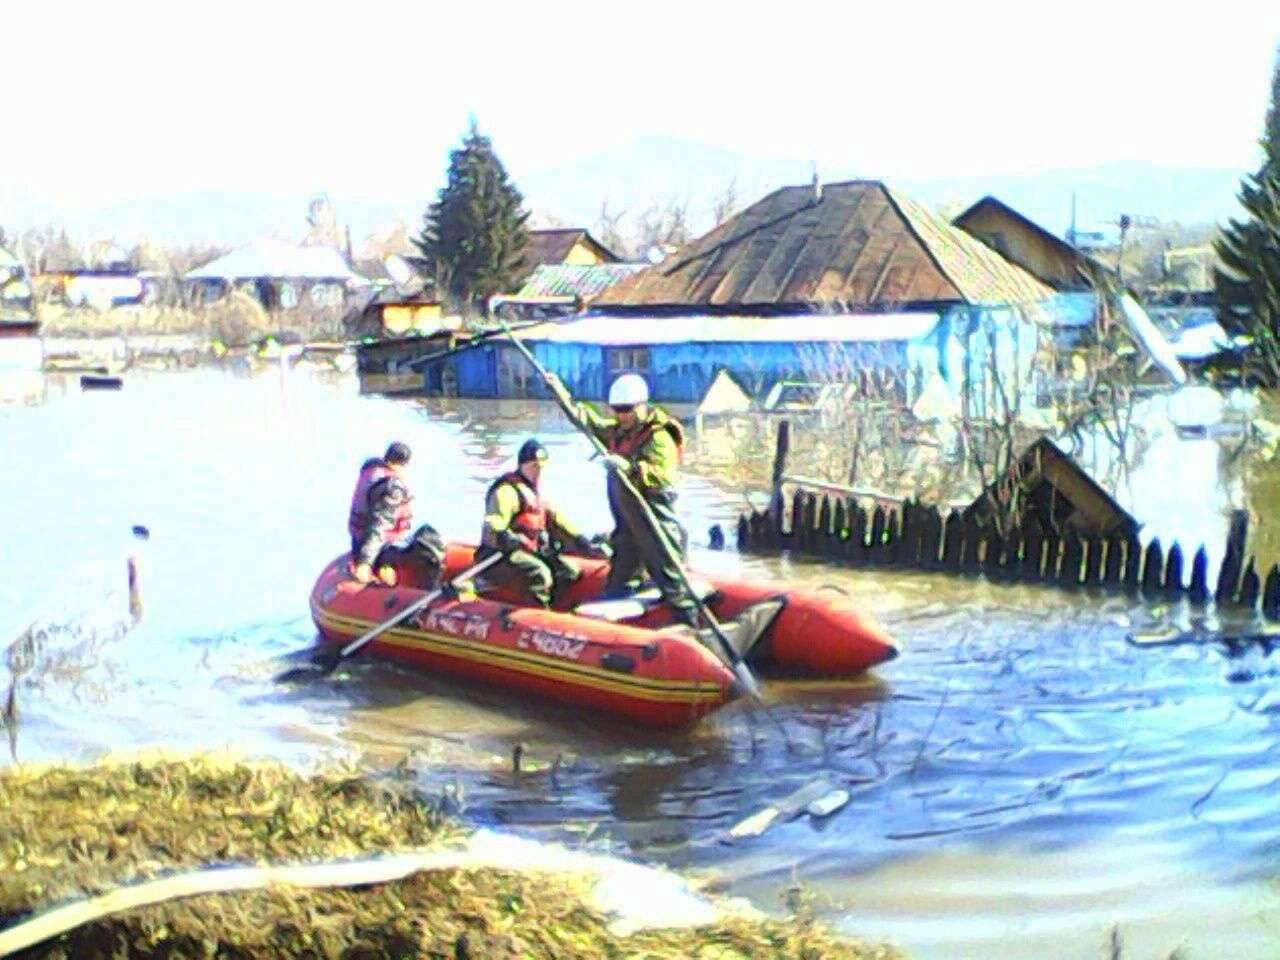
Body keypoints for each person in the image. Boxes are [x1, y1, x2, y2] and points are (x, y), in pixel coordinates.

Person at [544, 371, 696, 625]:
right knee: (621, 573)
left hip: (652, 518)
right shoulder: (617, 431)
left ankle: (690, 620)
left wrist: (628, 467)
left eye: (626, 409)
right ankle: (619, 622)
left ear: (642, 405)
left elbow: (664, 476)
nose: (621, 415)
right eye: (616, 409)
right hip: (627, 522)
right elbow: (586, 420)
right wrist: (559, 392)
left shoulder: (659, 437)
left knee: (669, 574)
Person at [479, 438, 609, 608]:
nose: (538, 472)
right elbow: (493, 523)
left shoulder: (534, 494)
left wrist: (582, 542)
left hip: (529, 552)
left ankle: (555, 607)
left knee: (568, 572)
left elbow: (557, 521)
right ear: (522, 465)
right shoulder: (506, 492)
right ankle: (537, 612)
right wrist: (506, 537)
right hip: (501, 556)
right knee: (539, 573)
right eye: (533, 467)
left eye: (541, 467)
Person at [348, 441, 445, 586]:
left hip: (358, 541)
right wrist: (365, 562)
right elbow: (379, 526)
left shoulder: (371, 473)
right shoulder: (393, 489)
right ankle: (429, 593)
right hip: (380, 547)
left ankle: (385, 571)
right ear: (403, 463)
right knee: (430, 550)